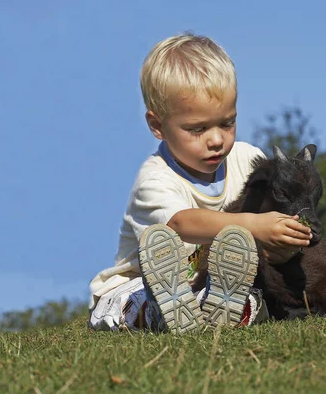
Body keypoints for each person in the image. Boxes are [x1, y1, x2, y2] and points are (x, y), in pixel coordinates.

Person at [88, 33, 312, 333]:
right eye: (198, 129)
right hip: (137, 283)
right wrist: (256, 226)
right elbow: (182, 223)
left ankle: (220, 312)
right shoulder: (155, 178)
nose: (217, 140)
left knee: (252, 294)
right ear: (157, 126)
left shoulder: (249, 160)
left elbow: (273, 227)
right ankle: (158, 313)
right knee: (128, 302)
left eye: (227, 123)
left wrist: (284, 246)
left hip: (211, 286)